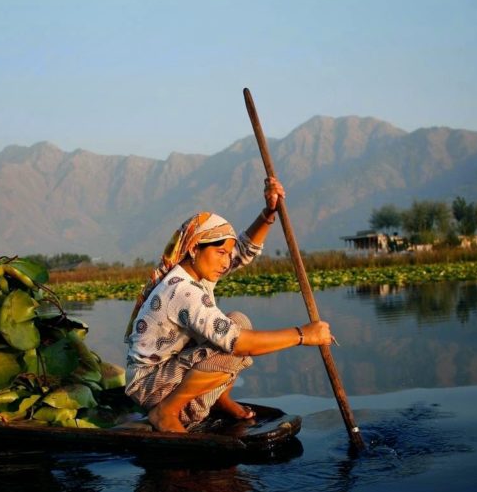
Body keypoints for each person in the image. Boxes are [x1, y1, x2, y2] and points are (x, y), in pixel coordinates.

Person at [124, 177, 334, 432]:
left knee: (239, 320)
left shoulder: (197, 272)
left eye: (227, 254)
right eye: (220, 253)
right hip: (149, 384)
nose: (226, 263)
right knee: (231, 346)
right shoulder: (183, 290)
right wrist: (302, 335)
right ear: (194, 249)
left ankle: (218, 399)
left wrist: (268, 213)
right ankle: (165, 411)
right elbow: (236, 342)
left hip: (170, 369)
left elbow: (244, 250)